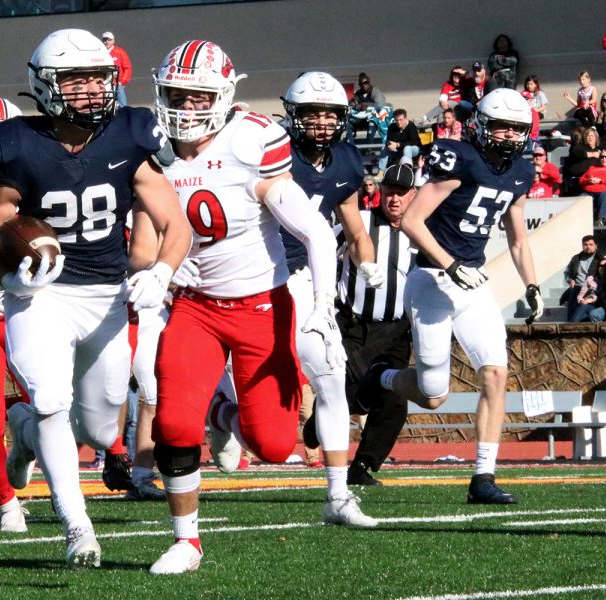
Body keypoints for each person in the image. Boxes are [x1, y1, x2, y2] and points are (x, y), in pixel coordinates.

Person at [0, 29, 190, 569]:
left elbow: (173, 220)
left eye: (98, 78)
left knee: (98, 427)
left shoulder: (130, 134)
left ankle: (22, 435)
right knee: (49, 400)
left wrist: (162, 269)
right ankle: (76, 526)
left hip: (106, 296)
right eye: (75, 79)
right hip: (42, 298)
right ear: (45, 86)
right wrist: (9, 280)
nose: (90, 90)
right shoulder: (17, 143)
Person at [147, 43, 371, 577]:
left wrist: (320, 305)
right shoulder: (150, 144)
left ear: (223, 96)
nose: (185, 105)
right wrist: (155, 269)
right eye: (176, 93)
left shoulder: (251, 140)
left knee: (273, 444)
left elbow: (314, 228)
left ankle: (224, 415)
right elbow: (138, 226)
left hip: (260, 306)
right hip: (195, 306)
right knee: (173, 423)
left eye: (198, 95)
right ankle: (186, 540)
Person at [362, 88, 543, 505]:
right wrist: (449, 264)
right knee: (432, 394)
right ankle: (382, 377)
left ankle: (483, 477)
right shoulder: (458, 157)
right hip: (431, 280)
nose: (510, 136)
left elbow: (517, 237)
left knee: (496, 373)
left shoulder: (518, 172)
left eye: (517, 128)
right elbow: (411, 219)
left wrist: (531, 283)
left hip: (472, 281)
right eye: (501, 126)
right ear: (480, 123)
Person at [280, 71, 385, 502]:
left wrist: (369, 264)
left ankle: (339, 495)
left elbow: (355, 229)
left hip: (306, 278)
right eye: (312, 113)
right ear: (294, 115)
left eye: (330, 114)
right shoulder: (274, 151)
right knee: (263, 427)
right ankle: (223, 410)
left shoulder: (345, 159)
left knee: (331, 373)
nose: (322, 122)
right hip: (253, 274)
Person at [331, 163, 418, 485]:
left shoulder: (421, 229)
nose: (394, 199)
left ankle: (363, 466)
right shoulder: (360, 222)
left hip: (397, 329)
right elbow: (327, 252)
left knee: (395, 401)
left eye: (401, 193)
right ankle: (318, 428)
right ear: (379, 193)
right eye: (389, 192)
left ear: (414, 195)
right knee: (348, 392)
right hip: (356, 324)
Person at [570, 257, 606, 322]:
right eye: (601, 266)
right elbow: (581, 294)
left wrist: (592, 300)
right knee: (581, 306)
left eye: (605, 266)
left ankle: (570, 327)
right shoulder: (590, 279)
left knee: (582, 310)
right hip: (588, 304)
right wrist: (581, 300)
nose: (603, 268)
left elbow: (605, 296)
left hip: (600, 305)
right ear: (597, 267)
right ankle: (571, 326)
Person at [102, 32, 132, 107]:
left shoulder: (120, 52)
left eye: (109, 40)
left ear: (113, 41)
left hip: (117, 84)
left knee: (122, 105)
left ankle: (123, 116)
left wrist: (122, 82)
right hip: (104, 84)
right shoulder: (100, 52)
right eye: (105, 40)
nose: (107, 42)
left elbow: (127, 68)